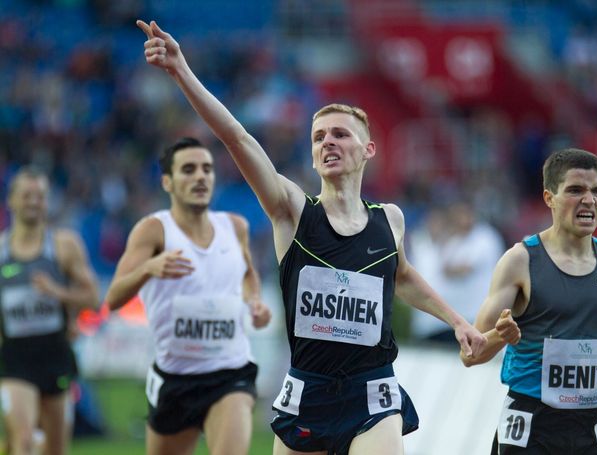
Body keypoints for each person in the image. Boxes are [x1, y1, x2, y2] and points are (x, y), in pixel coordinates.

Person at [135, 19, 487, 455]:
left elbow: (402, 276)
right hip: (308, 389)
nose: (328, 142)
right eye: (319, 137)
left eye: (341, 134)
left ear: (368, 151)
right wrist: (182, 72)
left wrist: (458, 322)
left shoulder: (390, 219)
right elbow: (237, 138)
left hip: (371, 390)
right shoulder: (292, 210)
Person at [462, 148, 597, 454]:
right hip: (532, 424)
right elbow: (470, 355)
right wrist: (502, 336)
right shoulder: (520, 262)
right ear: (549, 197)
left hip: (596, 424)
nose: (589, 201)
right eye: (576, 190)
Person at [104, 137, 272, 455]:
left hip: (230, 372)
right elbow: (113, 298)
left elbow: (248, 273)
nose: (200, 177)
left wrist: (254, 302)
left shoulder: (235, 227)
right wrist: (149, 268)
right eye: (189, 169)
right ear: (167, 182)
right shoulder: (153, 231)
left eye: (207, 169)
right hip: (176, 379)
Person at [0, 166, 99, 455]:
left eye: (40, 196)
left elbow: (93, 298)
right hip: (14, 358)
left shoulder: (64, 246)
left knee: (55, 449)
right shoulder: (1, 251)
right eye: (27, 195)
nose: (33, 202)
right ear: (11, 201)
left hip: (55, 356)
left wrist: (58, 293)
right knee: (26, 440)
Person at [410, 201, 505, 343]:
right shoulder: (454, 241)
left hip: (478, 316)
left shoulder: (484, 236)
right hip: (452, 321)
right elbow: (444, 269)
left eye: (462, 214)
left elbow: (463, 269)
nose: (459, 219)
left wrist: (451, 268)